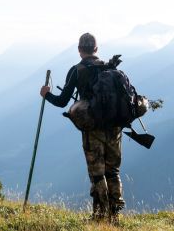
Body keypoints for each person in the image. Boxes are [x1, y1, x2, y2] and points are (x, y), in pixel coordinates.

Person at [40, 32, 125, 222]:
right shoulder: (110, 69)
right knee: (113, 172)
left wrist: (47, 94)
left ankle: (100, 216)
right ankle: (115, 215)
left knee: (97, 174)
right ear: (96, 49)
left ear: (79, 50)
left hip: (92, 129)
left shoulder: (77, 71)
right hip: (115, 129)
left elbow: (63, 102)